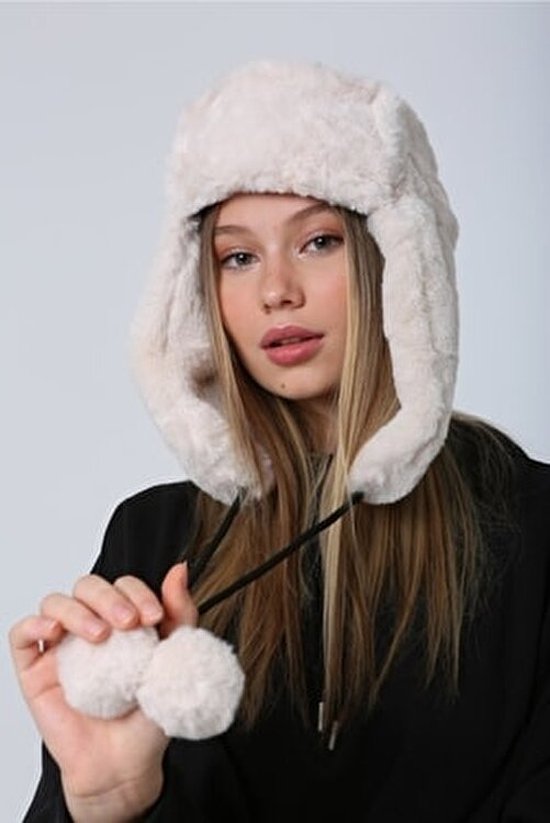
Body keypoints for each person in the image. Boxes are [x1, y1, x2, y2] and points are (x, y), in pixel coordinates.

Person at [9, 60, 550, 823]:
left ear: (400, 261)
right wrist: (108, 800)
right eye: (238, 256)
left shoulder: (532, 523)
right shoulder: (152, 542)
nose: (275, 291)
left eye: (319, 241)